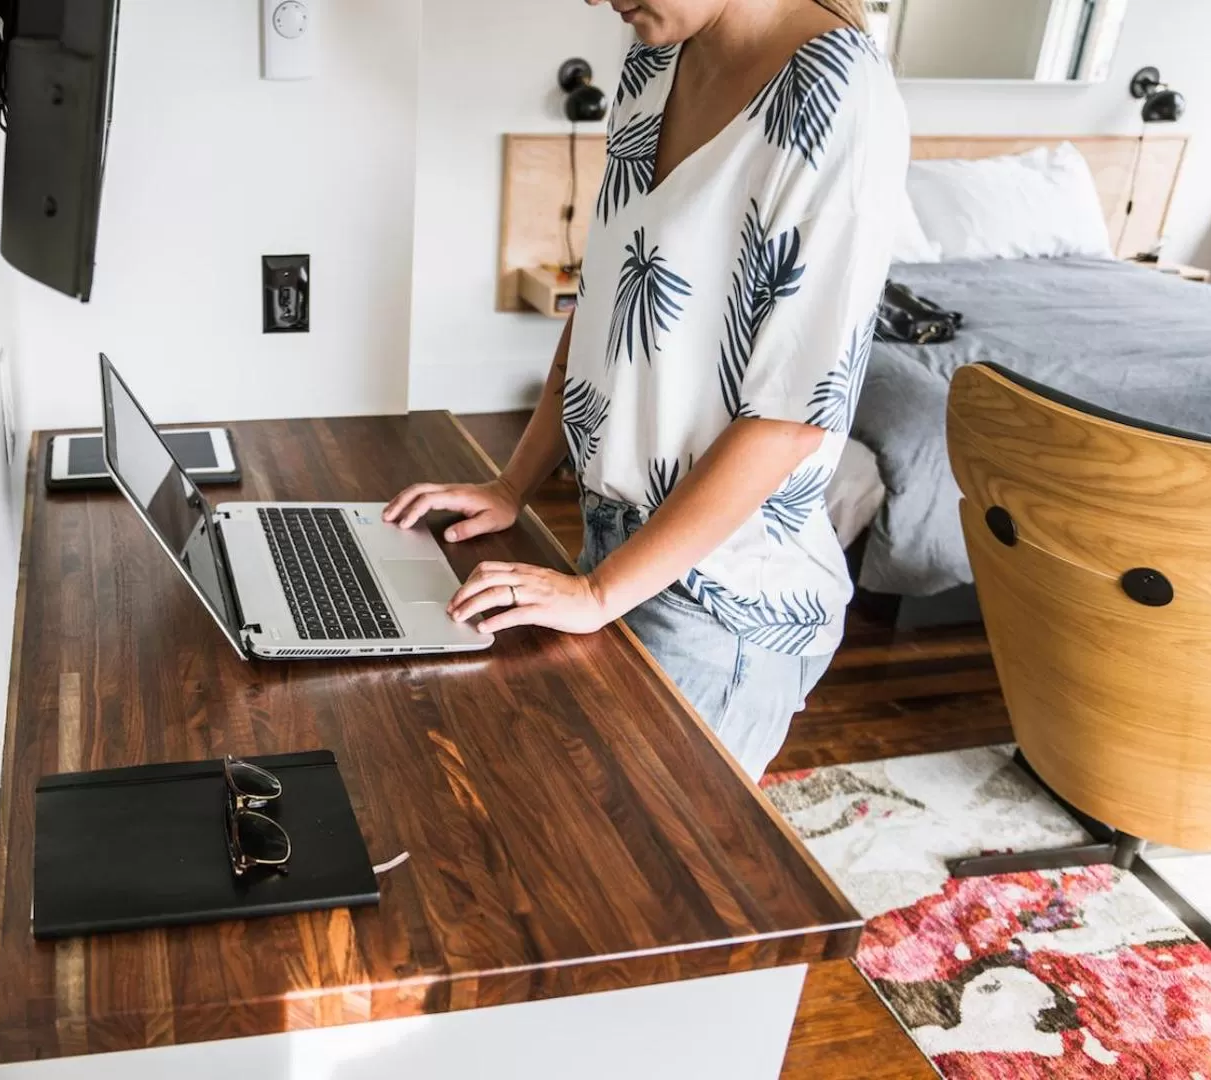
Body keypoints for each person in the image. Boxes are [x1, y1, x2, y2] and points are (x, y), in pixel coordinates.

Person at [384, 0, 906, 778]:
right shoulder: (654, 60)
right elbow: (606, 296)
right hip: (615, 554)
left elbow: (792, 415)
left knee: (641, 853)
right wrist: (512, 484)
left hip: (720, 600)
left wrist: (600, 593)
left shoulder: (841, 93)